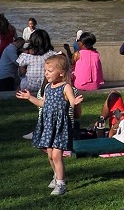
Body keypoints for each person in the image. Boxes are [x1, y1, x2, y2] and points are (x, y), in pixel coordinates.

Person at [17, 53, 83, 196]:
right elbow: (43, 104)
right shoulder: (47, 87)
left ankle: (61, 184)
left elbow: (72, 103)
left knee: (57, 155)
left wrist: (75, 103)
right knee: (50, 154)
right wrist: (30, 98)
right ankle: (56, 175)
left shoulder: (66, 87)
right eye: (45, 70)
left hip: (60, 126)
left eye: (50, 70)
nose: (46, 73)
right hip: (48, 124)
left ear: (61, 73)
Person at [17, 30, 55, 95]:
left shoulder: (26, 55)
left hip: (29, 86)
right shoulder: (52, 55)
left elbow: (22, 73)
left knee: (20, 84)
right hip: (46, 86)